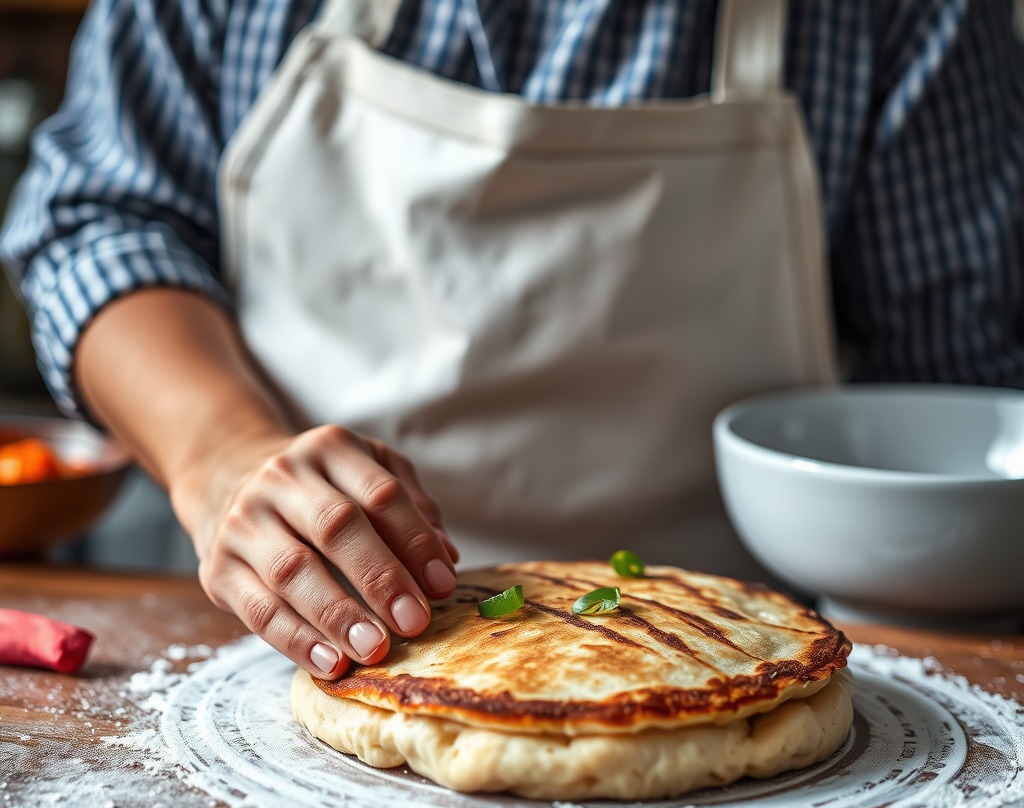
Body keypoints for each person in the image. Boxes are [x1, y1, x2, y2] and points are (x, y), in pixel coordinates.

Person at [1, 0, 1022, 682]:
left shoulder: (903, 17)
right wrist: (221, 457)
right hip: (286, 637)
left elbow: (953, 404)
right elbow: (103, 217)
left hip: (730, 655)